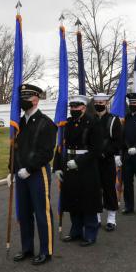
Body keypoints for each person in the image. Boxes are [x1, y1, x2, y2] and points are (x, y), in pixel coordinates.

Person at [9, 84, 57, 265]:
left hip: (37, 173)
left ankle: (46, 250)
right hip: (21, 175)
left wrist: (29, 168)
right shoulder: (19, 122)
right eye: (21, 97)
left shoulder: (46, 123)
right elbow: (15, 148)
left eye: (27, 97)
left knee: (41, 212)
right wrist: (12, 170)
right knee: (24, 213)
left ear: (36, 99)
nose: (23, 101)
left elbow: (47, 153)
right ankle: (27, 247)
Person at [53, 95, 103, 247]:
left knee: (88, 201)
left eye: (77, 106)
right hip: (69, 165)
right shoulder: (66, 123)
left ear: (83, 107)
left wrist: (78, 162)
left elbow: (97, 149)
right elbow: (60, 146)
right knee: (73, 200)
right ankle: (76, 231)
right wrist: (57, 167)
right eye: (72, 107)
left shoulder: (93, 122)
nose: (74, 109)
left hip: (87, 167)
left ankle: (90, 233)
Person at [92, 93, 122, 231]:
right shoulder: (91, 119)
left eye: (101, 102)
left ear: (106, 103)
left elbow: (117, 141)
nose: (99, 104)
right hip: (93, 161)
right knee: (95, 190)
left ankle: (111, 219)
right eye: (97, 102)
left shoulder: (113, 120)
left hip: (107, 160)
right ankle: (96, 218)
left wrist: (107, 153)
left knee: (109, 189)